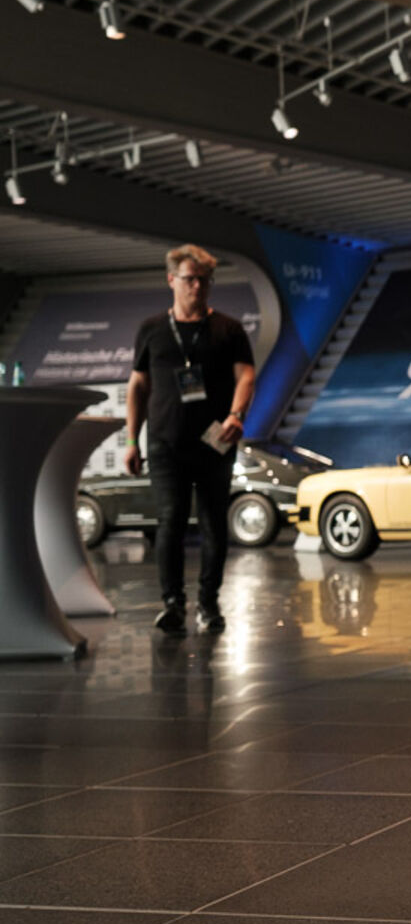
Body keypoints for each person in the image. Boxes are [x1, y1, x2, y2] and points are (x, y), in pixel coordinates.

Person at [123, 245, 256, 634]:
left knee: (214, 522)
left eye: (205, 280)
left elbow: (246, 376)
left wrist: (236, 414)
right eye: (190, 279)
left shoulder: (228, 329)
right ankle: (173, 604)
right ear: (172, 280)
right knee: (171, 520)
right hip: (166, 441)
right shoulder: (151, 329)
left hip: (215, 438)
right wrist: (131, 441)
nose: (198, 286)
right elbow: (138, 387)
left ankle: (208, 604)